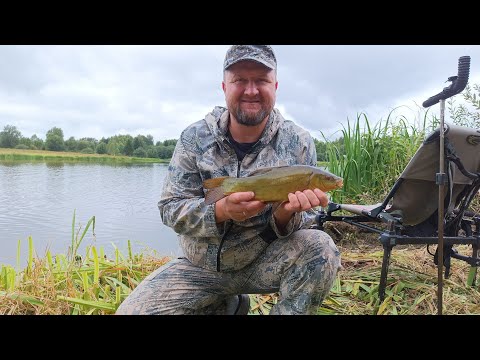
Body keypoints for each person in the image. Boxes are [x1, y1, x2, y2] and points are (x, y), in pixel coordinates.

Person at [116, 45, 341, 315]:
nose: (251, 90)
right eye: (240, 80)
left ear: (276, 86)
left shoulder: (298, 141)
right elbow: (169, 209)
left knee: (321, 247)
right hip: (200, 268)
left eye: (261, 80)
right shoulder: (194, 138)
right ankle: (229, 305)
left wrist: (284, 214)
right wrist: (221, 211)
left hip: (263, 261)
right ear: (224, 87)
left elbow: (305, 224)